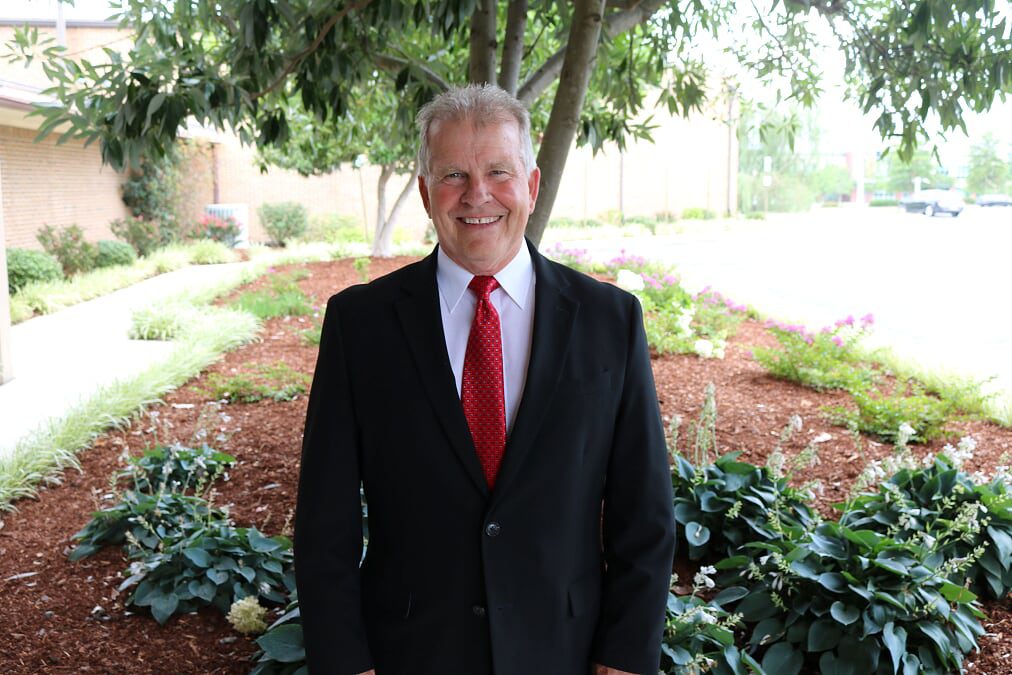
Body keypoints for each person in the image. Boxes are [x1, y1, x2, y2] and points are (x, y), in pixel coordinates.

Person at [295, 84, 675, 675]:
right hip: (409, 653)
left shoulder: (609, 321)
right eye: (452, 175)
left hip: (566, 654)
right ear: (425, 193)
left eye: (499, 171)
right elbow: (325, 524)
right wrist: (346, 663)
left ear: (531, 185)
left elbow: (644, 515)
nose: (477, 195)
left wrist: (626, 657)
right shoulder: (359, 325)